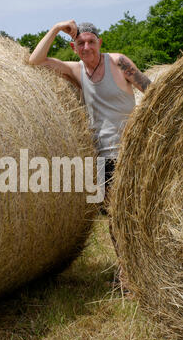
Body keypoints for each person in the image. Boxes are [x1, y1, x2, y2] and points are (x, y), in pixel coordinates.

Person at [29, 20, 151, 209]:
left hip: (132, 149)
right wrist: (56, 28)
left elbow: (152, 91)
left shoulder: (118, 62)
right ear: (74, 47)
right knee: (115, 217)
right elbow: (35, 61)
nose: (87, 47)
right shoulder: (75, 70)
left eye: (91, 42)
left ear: (99, 43)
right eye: (81, 43)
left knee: (140, 209)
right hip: (104, 155)